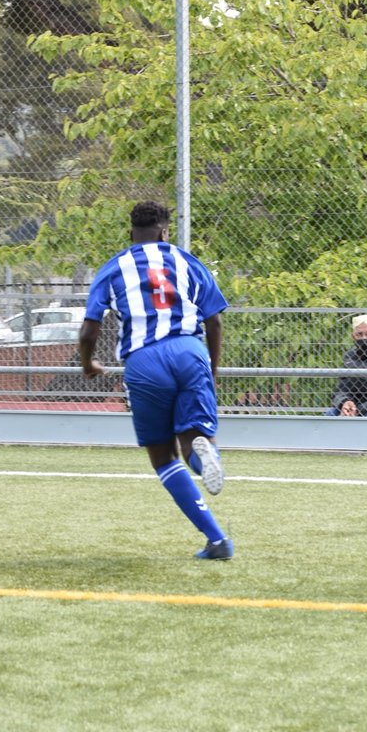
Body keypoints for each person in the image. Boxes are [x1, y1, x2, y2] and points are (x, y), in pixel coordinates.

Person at [78, 200, 234, 559]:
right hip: (190, 351)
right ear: (165, 232)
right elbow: (214, 320)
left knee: (163, 456)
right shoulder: (187, 261)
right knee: (195, 438)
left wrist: (88, 364)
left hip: (144, 361)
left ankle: (217, 540)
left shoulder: (114, 267)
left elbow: (88, 331)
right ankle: (205, 457)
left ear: (130, 233)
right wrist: (211, 370)